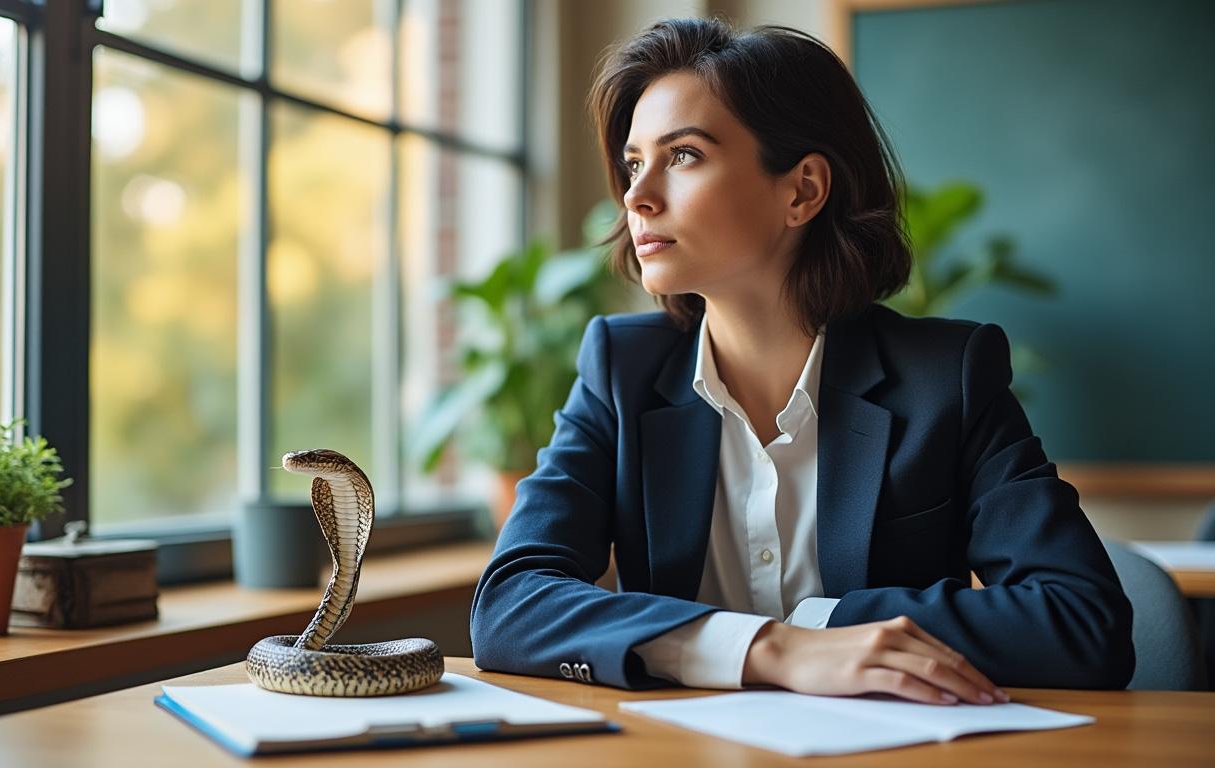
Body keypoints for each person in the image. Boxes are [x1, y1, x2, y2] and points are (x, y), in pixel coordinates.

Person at [469, 18, 1134, 703]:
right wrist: (773, 648)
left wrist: (832, 628)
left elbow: (1082, 619)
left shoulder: (948, 377)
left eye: (685, 156)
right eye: (635, 162)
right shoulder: (620, 370)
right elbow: (511, 606)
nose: (637, 195)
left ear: (802, 191)